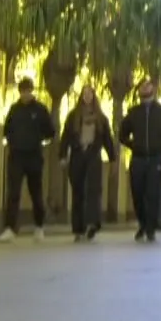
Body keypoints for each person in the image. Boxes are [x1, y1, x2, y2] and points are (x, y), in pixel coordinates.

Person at [0, 77, 55, 242]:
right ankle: (10, 228)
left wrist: (39, 140)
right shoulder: (14, 110)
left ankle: (39, 226)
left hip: (34, 156)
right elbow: (6, 129)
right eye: (22, 92)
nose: (25, 95)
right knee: (13, 192)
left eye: (27, 91)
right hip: (16, 156)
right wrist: (10, 141)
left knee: (36, 192)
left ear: (32, 91)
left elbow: (51, 131)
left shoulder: (40, 110)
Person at [118, 78, 161, 242]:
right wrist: (133, 145)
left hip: (155, 159)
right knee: (137, 193)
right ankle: (142, 223)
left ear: (153, 90)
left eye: (148, 86)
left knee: (153, 193)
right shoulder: (133, 112)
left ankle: (150, 228)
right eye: (143, 86)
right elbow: (122, 134)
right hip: (138, 159)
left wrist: (160, 146)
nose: (145, 88)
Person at [60, 85, 115, 241]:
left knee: (93, 190)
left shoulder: (101, 119)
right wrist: (63, 155)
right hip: (77, 156)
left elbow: (107, 140)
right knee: (77, 192)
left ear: (94, 96)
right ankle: (78, 228)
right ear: (81, 97)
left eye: (90, 93)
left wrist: (112, 159)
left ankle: (92, 223)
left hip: (93, 156)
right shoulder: (73, 116)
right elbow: (66, 137)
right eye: (85, 94)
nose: (87, 96)